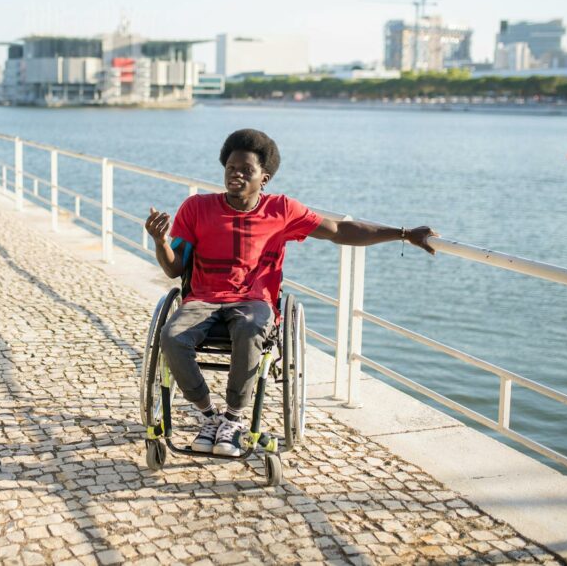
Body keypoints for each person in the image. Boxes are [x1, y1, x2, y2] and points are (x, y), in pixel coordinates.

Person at [144, 128, 438, 457]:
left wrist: (403, 234)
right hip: (204, 299)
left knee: (252, 330)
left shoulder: (281, 210)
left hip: (254, 302)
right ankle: (209, 415)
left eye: (246, 170)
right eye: (230, 168)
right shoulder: (196, 208)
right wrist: (160, 243)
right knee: (171, 336)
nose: (236, 174)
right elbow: (173, 269)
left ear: (264, 178)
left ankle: (234, 417)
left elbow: (339, 230)